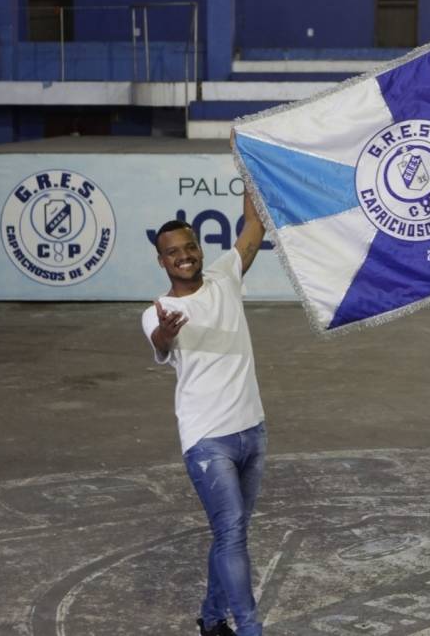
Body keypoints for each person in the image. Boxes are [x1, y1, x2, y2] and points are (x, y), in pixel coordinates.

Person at [141, 190, 267, 636]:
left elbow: (255, 227)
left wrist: (246, 160)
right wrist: (165, 333)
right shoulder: (160, 312)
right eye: (172, 253)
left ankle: (212, 621)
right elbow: (160, 342)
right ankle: (249, 628)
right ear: (162, 262)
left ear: (200, 248)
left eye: (189, 248)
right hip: (207, 440)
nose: (184, 257)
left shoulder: (225, 275)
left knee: (231, 533)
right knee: (231, 532)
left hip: (252, 430)